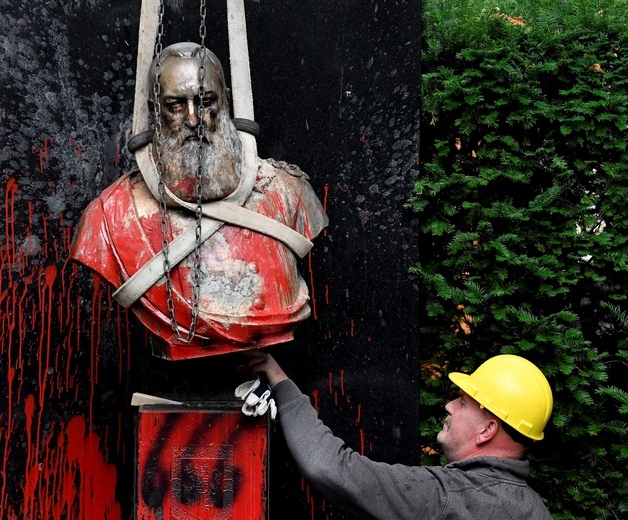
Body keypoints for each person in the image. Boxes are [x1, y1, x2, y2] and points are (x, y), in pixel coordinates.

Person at [70, 43, 328, 359]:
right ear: (155, 111)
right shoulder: (109, 217)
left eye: (206, 101)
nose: (194, 119)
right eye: (176, 105)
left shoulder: (290, 192)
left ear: (227, 101)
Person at [238, 351, 554, 519]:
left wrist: (279, 379)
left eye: (462, 403)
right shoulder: (536, 511)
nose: (448, 406)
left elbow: (332, 468)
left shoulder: (446, 498)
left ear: (487, 430)